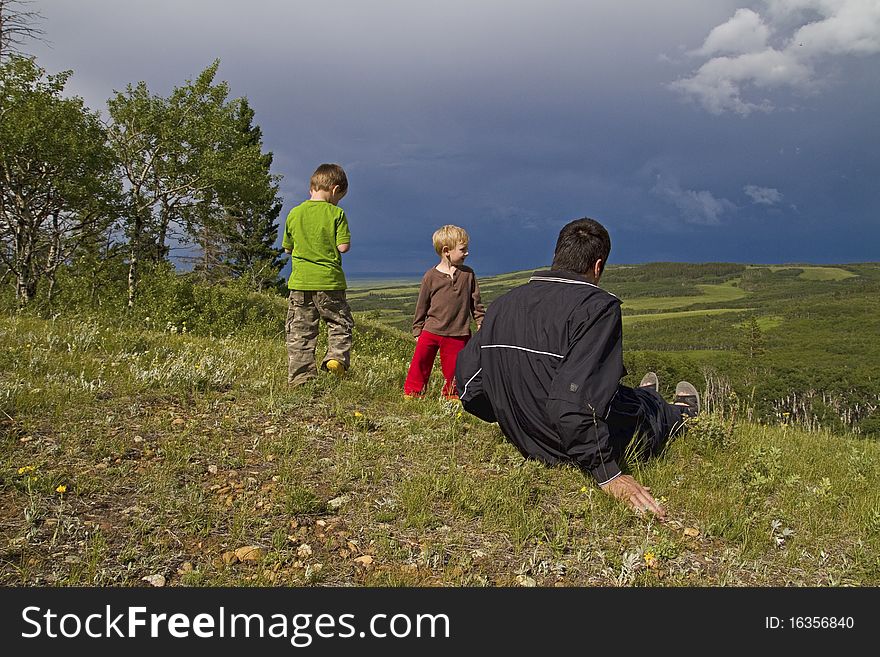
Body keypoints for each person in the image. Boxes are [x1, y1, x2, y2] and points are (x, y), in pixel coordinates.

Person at [454, 217, 699, 518]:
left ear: (557, 256)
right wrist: (607, 472)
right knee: (645, 411)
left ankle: (647, 396)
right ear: (597, 267)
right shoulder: (597, 307)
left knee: (623, 396)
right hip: (567, 443)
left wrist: (514, 415)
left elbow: (469, 385)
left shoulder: (504, 303)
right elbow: (574, 402)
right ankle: (682, 413)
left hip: (525, 434)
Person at [281, 163, 354, 387]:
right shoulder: (336, 213)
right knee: (339, 323)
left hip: (301, 283)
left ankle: (301, 377)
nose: (338, 201)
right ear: (334, 189)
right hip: (329, 282)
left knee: (300, 331)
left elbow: (287, 248)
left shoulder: (294, 213)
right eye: (339, 196)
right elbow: (343, 247)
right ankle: (335, 358)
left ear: (311, 187)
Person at [404, 225, 486, 400]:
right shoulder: (430, 276)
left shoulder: (468, 274)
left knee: (455, 369)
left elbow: (476, 303)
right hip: (431, 330)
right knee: (420, 363)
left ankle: (452, 396)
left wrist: (481, 322)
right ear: (446, 251)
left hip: (458, 332)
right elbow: (422, 305)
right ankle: (413, 392)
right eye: (463, 250)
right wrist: (417, 328)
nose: (467, 253)